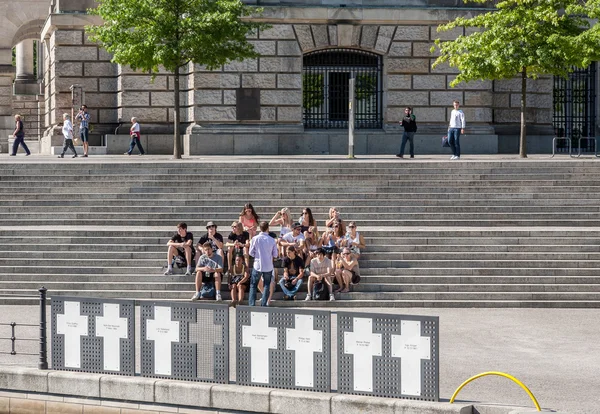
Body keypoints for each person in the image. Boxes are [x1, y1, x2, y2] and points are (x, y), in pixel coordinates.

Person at [248, 221, 278, 307]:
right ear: (268, 228)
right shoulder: (272, 240)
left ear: (259, 228)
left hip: (258, 265)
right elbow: (275, 254)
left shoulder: (255, 238)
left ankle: (251, 304)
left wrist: (256, 256)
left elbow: (250, 252)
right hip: (268, 265)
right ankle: (264, 305)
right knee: (266, 285)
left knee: (253, 285)